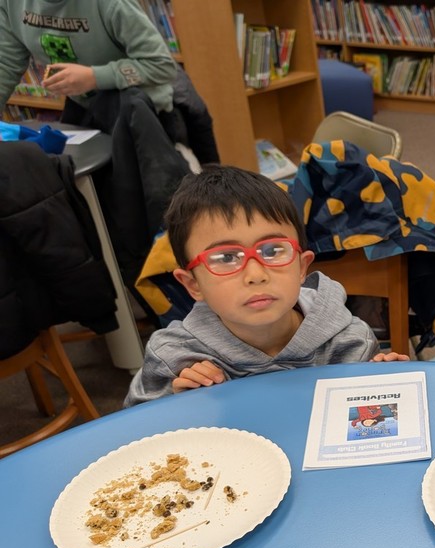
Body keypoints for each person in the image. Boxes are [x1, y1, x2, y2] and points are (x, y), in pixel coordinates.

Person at [124, 166, 408, 407]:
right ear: (192, 284)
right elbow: (134, 433)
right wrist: (179, 406)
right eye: (225, 257)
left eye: (272, 251)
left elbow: (366, 421)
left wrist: (383, 384)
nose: (255, 274)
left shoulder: (348, 340)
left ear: (301, 266)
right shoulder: (173, 356)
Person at [0, 0, 177, 114]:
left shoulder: (113, 4)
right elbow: (6, 65)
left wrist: (95, 77)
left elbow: (161, 65)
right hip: (85, 108)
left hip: (143, 113)